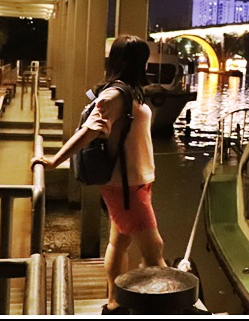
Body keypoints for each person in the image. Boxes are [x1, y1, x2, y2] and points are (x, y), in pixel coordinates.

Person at [31, 34, 167, 315]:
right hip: (124, 187)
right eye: (142, 59)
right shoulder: (115, 95)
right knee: (154, 253)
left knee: (119, 244)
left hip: (136, 182)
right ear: (134, 62)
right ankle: (159, 307)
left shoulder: (129, 91)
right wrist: (55, 160)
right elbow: (89, 130)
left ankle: (115, 302)